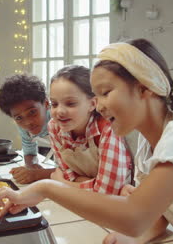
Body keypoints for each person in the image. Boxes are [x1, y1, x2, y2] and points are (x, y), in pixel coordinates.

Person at [0, 40, 173, 244]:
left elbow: (135, 216)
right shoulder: (149, 145)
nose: (100, 104)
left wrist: (47, 187)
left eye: (106, 92)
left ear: (145, 88)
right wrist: (135, 238)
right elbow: (158, 213)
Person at [47, 65, 132, 194]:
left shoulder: (108, 129)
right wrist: (90, 184)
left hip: (113, 207)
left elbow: (108, 191)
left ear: (92, 104)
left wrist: (64, 184)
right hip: (78, 199)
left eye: (70, 103)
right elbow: (67, 173)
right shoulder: (54, 126)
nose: (59, 111)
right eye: (54, 104)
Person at [0, 74, 56, 184]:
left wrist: (37, 175)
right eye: (19, 118)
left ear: (46, 104)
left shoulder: (61, 120)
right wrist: (31, 165)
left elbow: (72, 172)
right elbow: (29, 151)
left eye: (32, 112)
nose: (28, 122)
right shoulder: (25, 128)